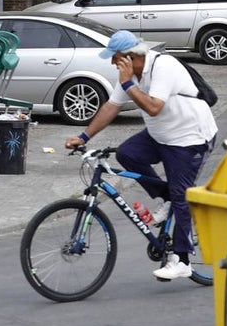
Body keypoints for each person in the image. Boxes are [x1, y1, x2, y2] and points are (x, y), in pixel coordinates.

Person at [64, 30, 217, 281]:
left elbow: (154, 107)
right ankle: (166, 198)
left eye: (115, 58)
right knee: (127, 154)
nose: (113, 63)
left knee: (182, 195)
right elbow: (112, 106)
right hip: (160, 136)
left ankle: (182, 260)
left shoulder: (163, 66)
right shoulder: (130, 75)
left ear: (131, 57)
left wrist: (127, 84)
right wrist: (83, 137)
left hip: (190, 138)